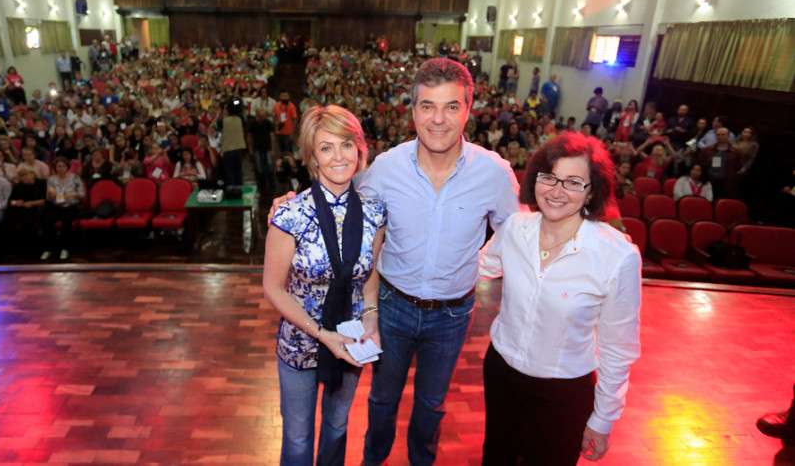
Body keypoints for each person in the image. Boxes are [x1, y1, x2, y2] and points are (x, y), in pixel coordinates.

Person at [269, 59, 522, 465]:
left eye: (451, 107)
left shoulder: (494, 172)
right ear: (413, 110)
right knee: (382, 401)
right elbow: (339, 189)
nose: (438, 119)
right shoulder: (387, 167)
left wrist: (482, 266)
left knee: (432, 406)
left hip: (452, 315)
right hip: (392, 307)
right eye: (427, 106)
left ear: (468, 110)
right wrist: (289, 203)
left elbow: (518, 236)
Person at [479, 132, 642, 465]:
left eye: (572, 182)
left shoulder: (617, 255)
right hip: (502, 373)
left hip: (564, 392)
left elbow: (617, 347)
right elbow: (475, 269)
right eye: (549, 177)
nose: (556, 191)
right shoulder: (515, 229)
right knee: (496, 457)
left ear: (592, 191)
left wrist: (602, 419)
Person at [264, 105, 387, 466]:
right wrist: (321, 334)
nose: (339, 156)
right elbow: (273, 288)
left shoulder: (374, 211)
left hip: (350, 341)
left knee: (336, 427)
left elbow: (370, 273)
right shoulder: (290, 214)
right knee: (299, 438)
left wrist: (371, 317)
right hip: (301, 342)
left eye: (346, 144)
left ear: (360, 150)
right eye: (326, 147)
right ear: (313, 157)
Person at [42, 157, 85, 261]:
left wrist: (72, 194)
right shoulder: (51, 179)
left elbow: (82, 194)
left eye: (63, 166)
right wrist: (50, 193)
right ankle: (50, 248)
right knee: (46, 221)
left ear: (67, 167)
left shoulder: (75, 178)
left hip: (70, 206)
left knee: (66, 221)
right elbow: (48, 197)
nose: (61, 168)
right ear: (55, 168)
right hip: (56, 206)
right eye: (59, 166)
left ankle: (66, 248)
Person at [4, 165, 47, 258]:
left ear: (32, 174)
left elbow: (46, 200)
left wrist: (32, 203)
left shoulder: (42, 184)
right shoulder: (18, 186)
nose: (23, 177)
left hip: (35, 208)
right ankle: (12, 249)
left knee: (26, 221)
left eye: (25, 175)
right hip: (19, 209)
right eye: (22, 176)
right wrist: (16, 203)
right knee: (7, 220)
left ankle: (30, 250)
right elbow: (11, 201)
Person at [697, 127, 742, 199]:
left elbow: (738, 165)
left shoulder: (736, 151)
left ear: (728, 136)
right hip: (709, 181)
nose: (720, 136)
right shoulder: (706, 149)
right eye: (718, 135)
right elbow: (701, 162)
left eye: (723, 134)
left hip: (726, 182)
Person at [220, 101, 246, 186]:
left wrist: (217, 116)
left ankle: (232, 190)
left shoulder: (223, 121)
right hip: (239, 148)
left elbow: (214, 126)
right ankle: (240, 189)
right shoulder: (240, 119)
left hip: (228, 149)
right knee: (238, 171)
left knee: (230, 172)